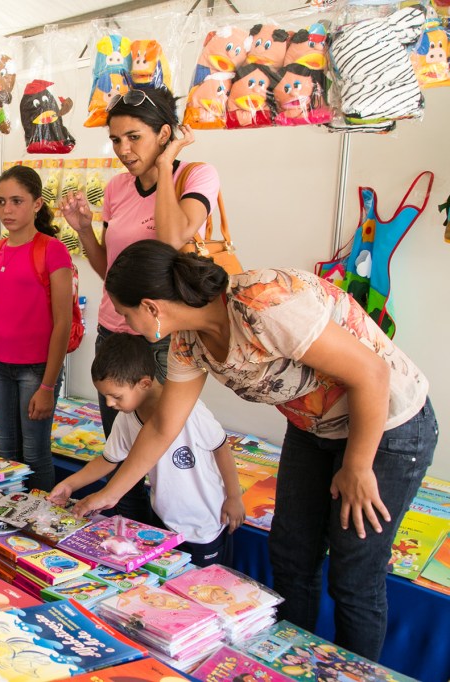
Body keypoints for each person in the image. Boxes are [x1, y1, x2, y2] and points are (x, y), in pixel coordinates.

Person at [77, 239, 436, 660]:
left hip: (387, 424)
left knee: (354, 573)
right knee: (289, 555)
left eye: (125, 313)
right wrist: (111, 492)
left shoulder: (265, 304)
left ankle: (355, 671)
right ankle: (293, 662)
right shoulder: (187, 341)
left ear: (152, 307)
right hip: (313, 427)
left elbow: (372, 374)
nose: (124, 323)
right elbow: (161, 427)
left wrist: (357, 465)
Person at [60, 85, 221, 524]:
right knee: (118, 438)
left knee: (165, 444)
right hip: (114, 330)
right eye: (115, 139)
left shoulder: (196, 175)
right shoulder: (115, 188)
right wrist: (84, 230)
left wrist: (167, 164)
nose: (123, 149)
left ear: (165, 133)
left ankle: (163, 535)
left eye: (134, 137)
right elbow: (113, 274)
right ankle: (121, 532)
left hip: (163, 337)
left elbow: (171, 240)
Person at [49, 334, 245, 566]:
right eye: (105, 396)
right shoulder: (127, 418)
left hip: (205, 525)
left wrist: (233, 497)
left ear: (144, 383)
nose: (110, 403)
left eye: (116, 396)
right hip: (164, 520)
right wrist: (70, 484)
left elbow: (221, 448)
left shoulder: (190, 411)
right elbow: (108, 459)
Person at [0, 165, 71, 492]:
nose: (7, 210)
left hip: (37, 369)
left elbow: (63, 323)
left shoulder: (52, 250)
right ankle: (12, 522)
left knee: (34, 454)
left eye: (16, 201)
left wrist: (47, 386)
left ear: (36, 204)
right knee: (5, 452)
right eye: (1, 202)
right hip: (0, 367)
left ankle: (43, 523)